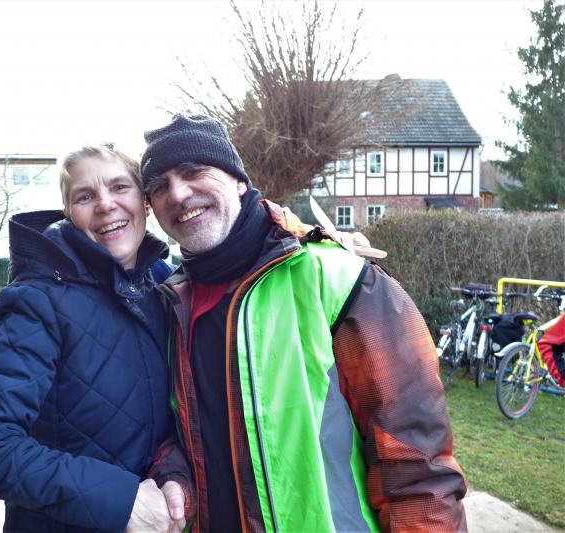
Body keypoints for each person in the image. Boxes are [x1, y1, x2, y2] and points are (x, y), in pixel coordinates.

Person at [139, 114, 468, 532]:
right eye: (159, 186)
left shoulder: (338, 279)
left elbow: (418, 466)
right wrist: (171, 476)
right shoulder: (170, 303)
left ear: (238, 179)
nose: (178, 193)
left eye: (193, 171)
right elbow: (176, 434)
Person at [0, 144, 192, 533]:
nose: (105, 204)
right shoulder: (38, 301)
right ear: (68, 213)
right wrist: (121, 502)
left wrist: (175, 474)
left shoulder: (165, 285)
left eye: (119, 187)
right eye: (85, 196)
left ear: (144, 201)